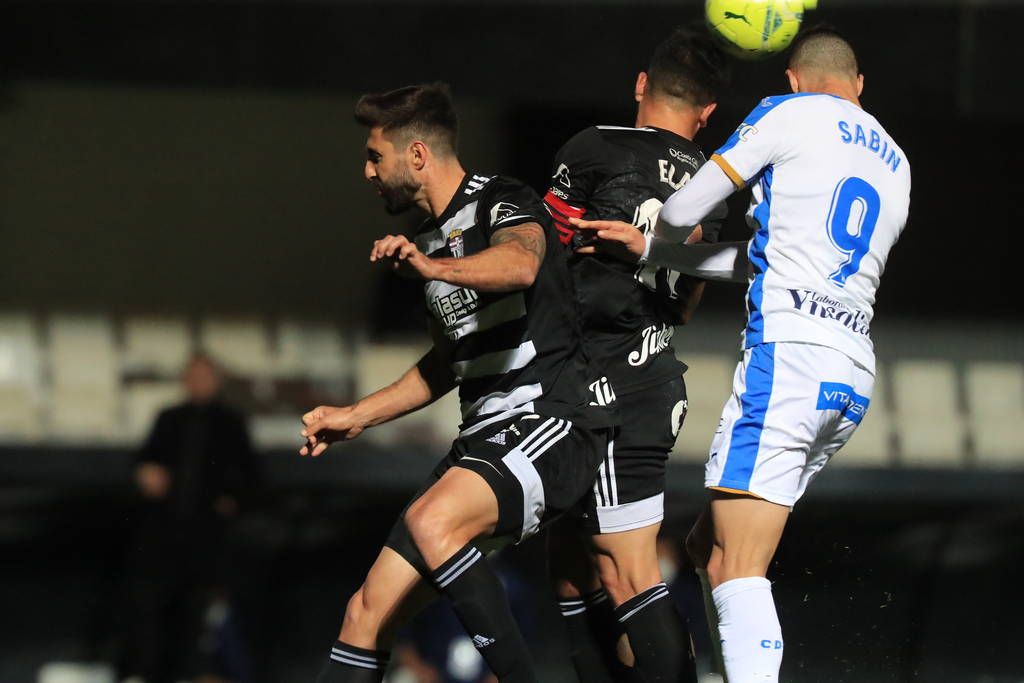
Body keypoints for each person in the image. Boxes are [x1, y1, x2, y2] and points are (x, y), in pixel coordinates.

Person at [570, 27, 911, 683]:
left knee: (736, 565)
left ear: (790, 78)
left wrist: (658, 231)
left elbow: (683, 208)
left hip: (790, 362)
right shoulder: (896, 160)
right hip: (850, 373)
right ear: (859, 86)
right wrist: (654, 254)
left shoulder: (786, 113)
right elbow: (767, 261)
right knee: (706, 548)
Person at [299, 83, 615, 683]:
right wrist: (355, 415)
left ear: (416, 155)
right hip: (485, 439)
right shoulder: (427, 241)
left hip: (550, 422)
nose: (367, 171)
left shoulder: (502, 199)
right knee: (364, 614)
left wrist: (432, 268)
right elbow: (449, 362)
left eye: (375, 156)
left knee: (432, 520)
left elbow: (521, 262)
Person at [542, 26, 729, 683]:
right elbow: (683, 304)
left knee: (627, 571)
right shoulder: (712, 182)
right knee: (571, 564)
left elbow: (541, 256)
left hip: (614, 383)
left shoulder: (591, 149)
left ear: (641, 86)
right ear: (706, 115)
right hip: (635, 373)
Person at [123, 352, 259, 683]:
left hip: (209, 538)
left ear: (217, 381)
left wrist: (230, 501)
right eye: (193, 375)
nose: (198, 382)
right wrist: (147, 475)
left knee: (200, 614)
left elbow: (252, 477)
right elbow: (144, 462)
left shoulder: (231, 422)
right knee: (153, 611)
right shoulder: (168, 418)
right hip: (163, 534)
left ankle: (193, 674)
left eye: (205, 376)